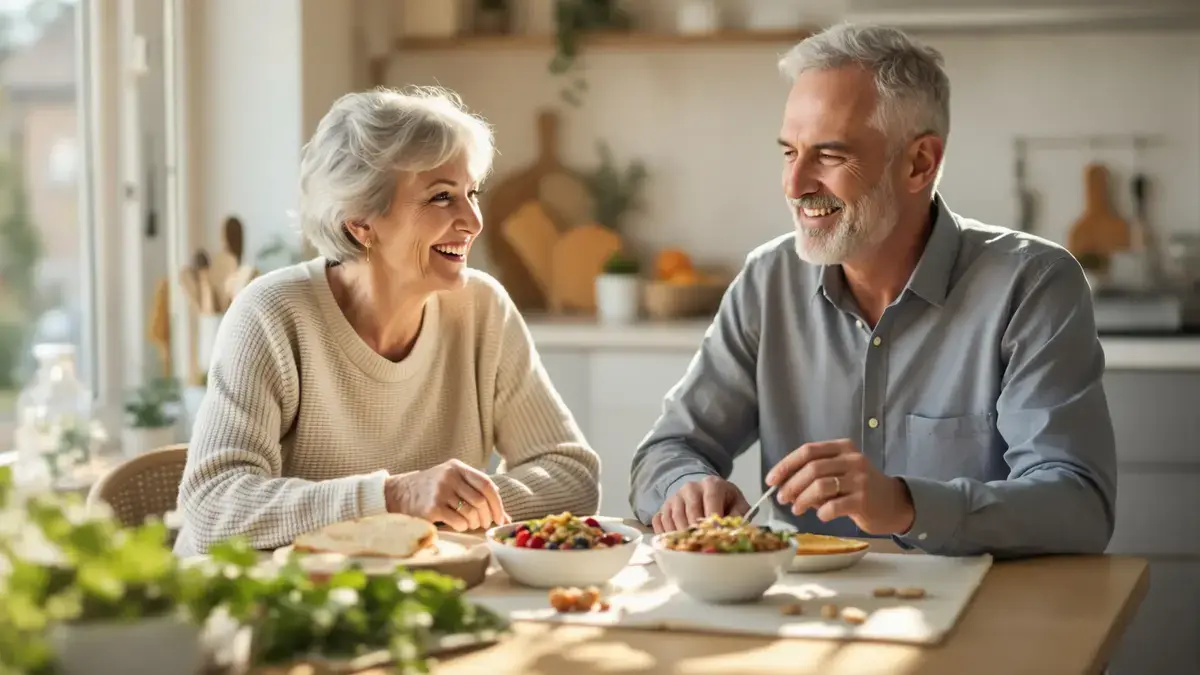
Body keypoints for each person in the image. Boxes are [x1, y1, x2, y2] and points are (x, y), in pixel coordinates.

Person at [629, 24, 1117, 558]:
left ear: (919, 163)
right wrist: (683, 490)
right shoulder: (769, 281)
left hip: (979, 616)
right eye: (790, 152)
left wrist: (907, 505)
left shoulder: (1032, 284)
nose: (794, 187)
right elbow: (670, 449)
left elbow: (1078, 506)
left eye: (830, 156)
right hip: (799, 615)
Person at [173, 86, 601, 557]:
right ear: (361, 223)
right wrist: (393, 499)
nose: (473, 220)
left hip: (408, 596)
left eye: (471, 193)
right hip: (258, 607)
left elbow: (570, 474)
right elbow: (213, 508)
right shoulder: (272, 313)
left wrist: (455, 505)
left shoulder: (482, 309)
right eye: (442, 197)